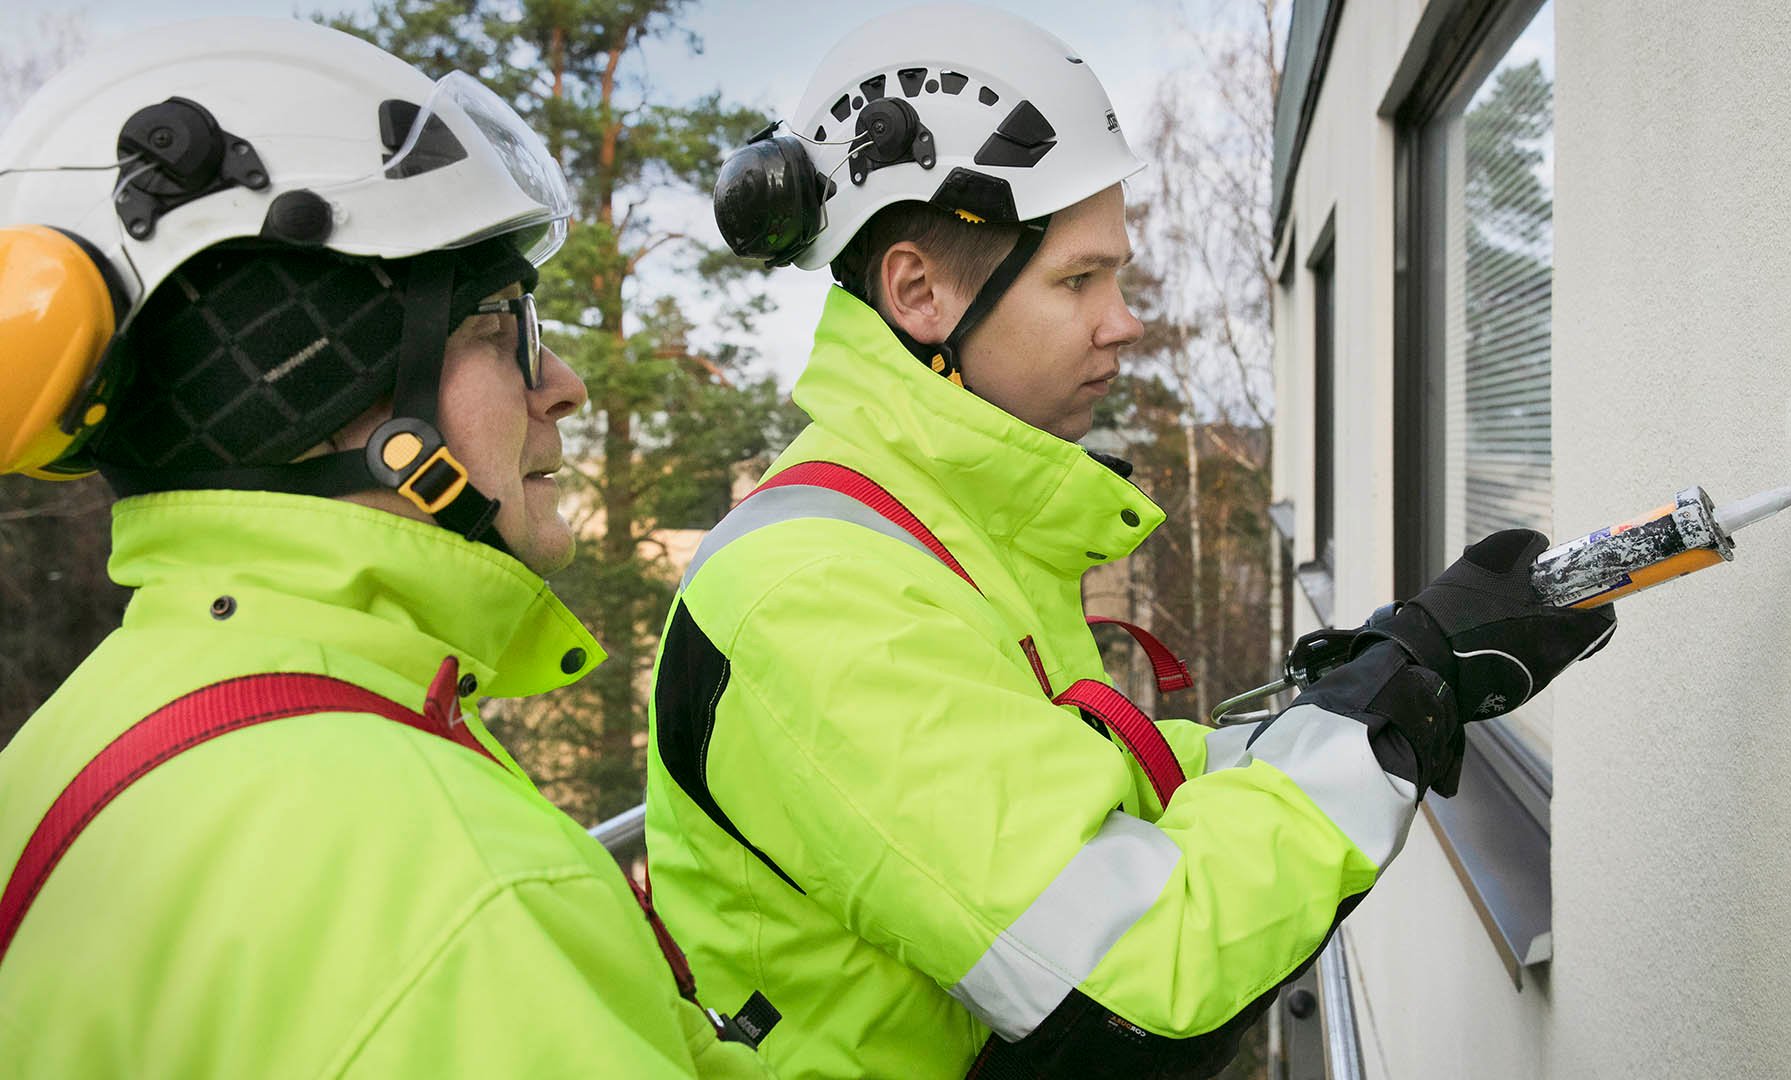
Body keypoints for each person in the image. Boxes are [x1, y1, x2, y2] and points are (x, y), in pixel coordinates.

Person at [647, 4, 1618, 1078]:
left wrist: (1372, 681)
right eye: (1078, 280)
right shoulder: (819, 600)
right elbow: (1148, 971)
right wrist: (1398, 705)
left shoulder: (932, 531)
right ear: (919, 293)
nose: (1126, 319)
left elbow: (1103, 792)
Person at [0, 19, 769, 1078]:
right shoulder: (452, 885)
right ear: (315, 383)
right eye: (500, 328)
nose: (564, 386)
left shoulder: (82, 734)